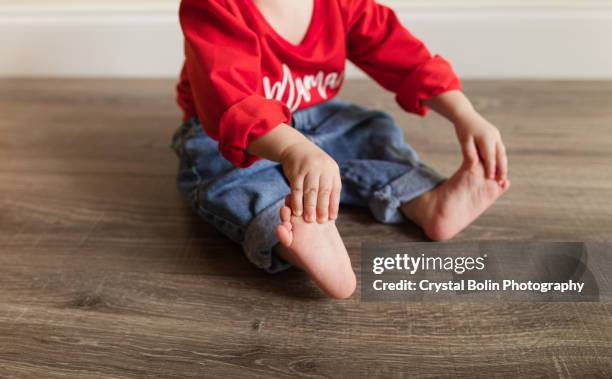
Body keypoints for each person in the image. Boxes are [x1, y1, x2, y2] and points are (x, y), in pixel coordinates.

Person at [171, 0, 510, 299]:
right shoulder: (213, 6)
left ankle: (426, 200)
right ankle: (293, 230)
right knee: (231, 175)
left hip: (314, 116)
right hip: (228, 131)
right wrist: (293, 149)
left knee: (370, 132)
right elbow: (233, 104)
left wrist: (463, 114)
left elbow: (404, 56)